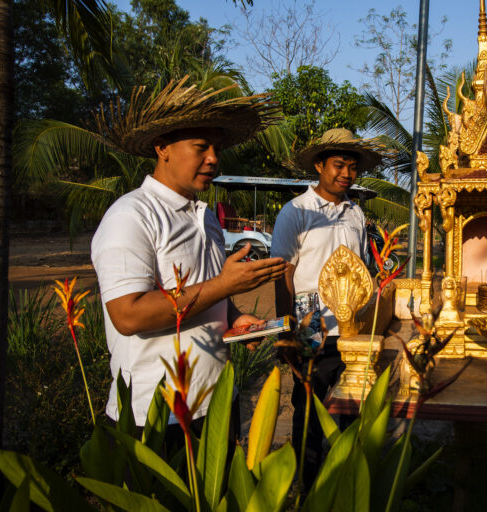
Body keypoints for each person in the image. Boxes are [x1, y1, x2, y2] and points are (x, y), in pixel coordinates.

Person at [91, 80, 287, 442]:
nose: (213, 158)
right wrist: (224, 285)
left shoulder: (205, 216)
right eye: (200, 147)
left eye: (216, 148)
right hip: (154, 413)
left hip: (214, 400)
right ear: (162, 147)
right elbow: (127, 314)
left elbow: (206, 290)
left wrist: (233, 316)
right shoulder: (132, 216)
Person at [271, 128, 384, 488]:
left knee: (352, 406)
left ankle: (345, 485)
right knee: (309, 409)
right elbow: (282, 273)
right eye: (338, 165)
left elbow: (363, 268)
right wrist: (286, 329)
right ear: (319, 165)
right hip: (312, 327)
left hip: (353, 331)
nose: (346, 174)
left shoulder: (355, 214)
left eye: (352, 167)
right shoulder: (296, 212)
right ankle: (307, 489)